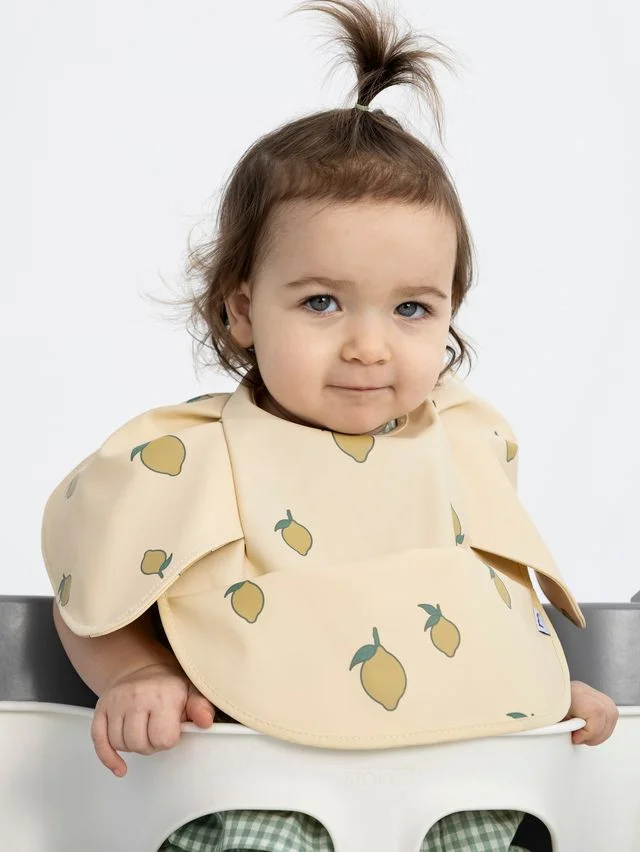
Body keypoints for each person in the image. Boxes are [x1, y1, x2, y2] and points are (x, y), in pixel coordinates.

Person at [42, 1, 618, 850]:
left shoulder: (459, 445)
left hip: (456, 783)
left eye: (412, 309)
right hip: (265, 784)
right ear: (242, 310)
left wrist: (536, 692)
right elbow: (92, 598)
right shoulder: (192, 458)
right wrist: (137, 671)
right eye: (321, 302)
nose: (367, 347)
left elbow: (472, 601)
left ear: (450, 312)